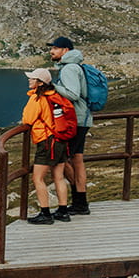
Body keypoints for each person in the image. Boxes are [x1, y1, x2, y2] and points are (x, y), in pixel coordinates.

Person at [47, 36, 92, 215]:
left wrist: (52, 87)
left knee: (61, 159)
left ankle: (76, 201)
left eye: (55, 48)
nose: (52, 51)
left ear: (65, 50)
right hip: (82, 119)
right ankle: (81, 203)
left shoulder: (69, 69)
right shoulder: (75, 66)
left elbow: (73, 94)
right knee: (77, 160)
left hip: (75, 120)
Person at [21, 68, 71, 225]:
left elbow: (27, 119)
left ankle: (45, 214)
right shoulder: (55, 95)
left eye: (32, 78)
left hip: (47, 142)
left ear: (40, 83)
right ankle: (63, 212)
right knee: (59, 176)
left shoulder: (37, 98)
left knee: (38, 178)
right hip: (60, 140)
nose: (29, 80)